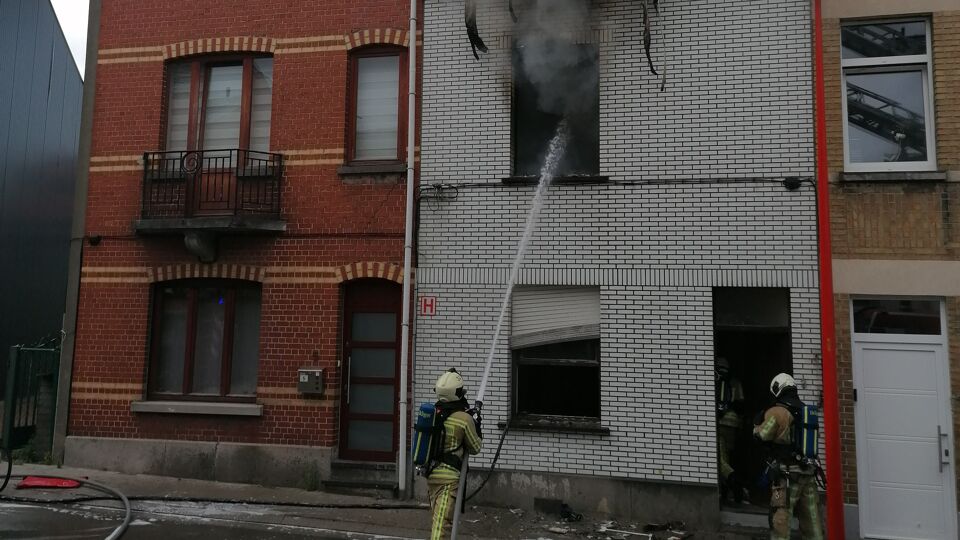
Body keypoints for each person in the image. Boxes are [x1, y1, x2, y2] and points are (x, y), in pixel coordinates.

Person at [753, 373, 824, 540]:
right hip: (808, 473)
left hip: (786, 476)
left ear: (777, 389)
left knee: (781, 518)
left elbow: (763, 435)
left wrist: (756, 426)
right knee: (812, 521)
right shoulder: (807, 412)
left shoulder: (777, 412)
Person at [427, 369, 482, 540]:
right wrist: (476, 424)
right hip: (449, 479)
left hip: (430, 474)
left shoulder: (433, 413)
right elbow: (475, 448)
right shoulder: (463, 419)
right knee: (441, 525)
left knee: (437, 519)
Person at [715, 356, 746, 503]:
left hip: (720, 423)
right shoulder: (734, 382)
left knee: (721, 460)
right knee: (727, 456)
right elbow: (741, 405)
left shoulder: (715, 380)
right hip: (733, 424)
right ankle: (727, 492)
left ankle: (733, 481)